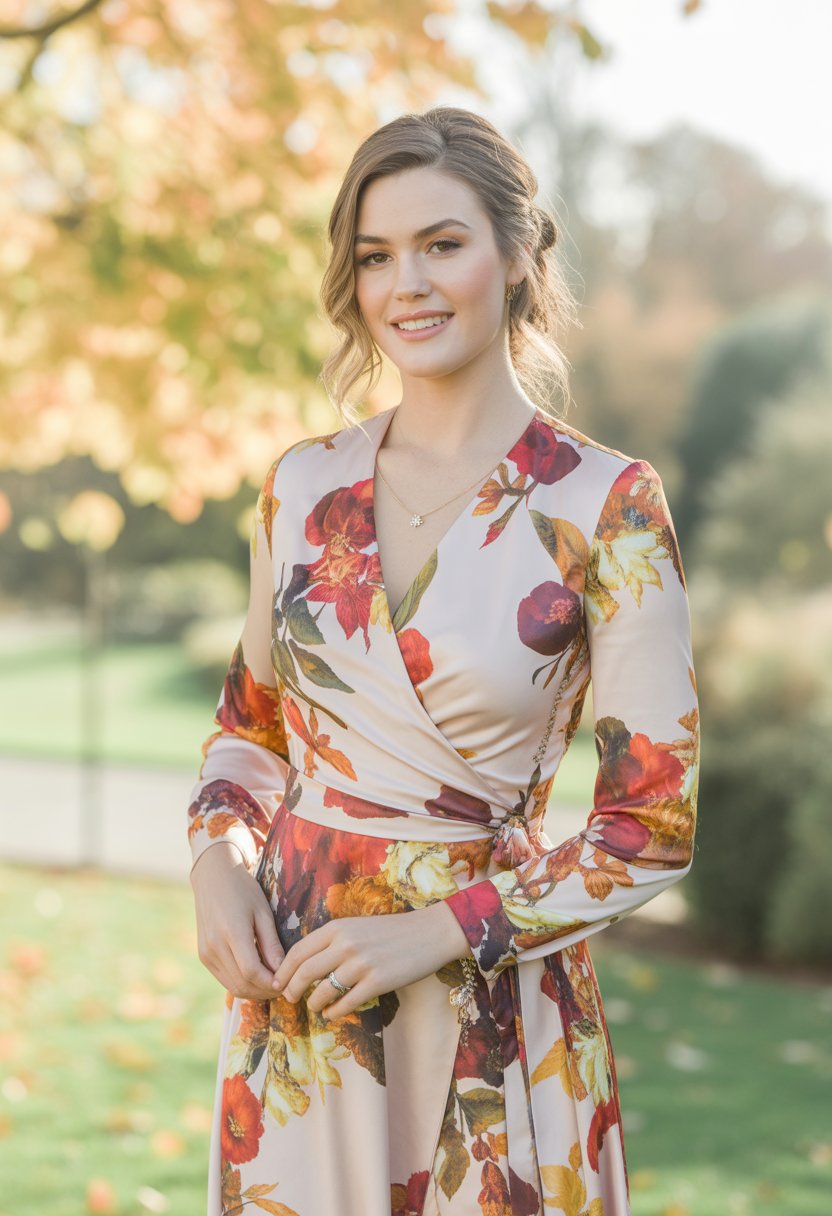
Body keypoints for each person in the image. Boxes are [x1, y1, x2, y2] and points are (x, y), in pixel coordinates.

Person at [186, 105, 700, 1216]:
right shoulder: (301, 487)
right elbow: (251, 728)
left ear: (517, 258)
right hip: (303, 1009)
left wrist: (434, 931)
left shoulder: (604, 504)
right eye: (375, 256)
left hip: (494, 1006)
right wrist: (218, 860)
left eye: (442, 244)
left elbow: (648, 827)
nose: (404, 285)